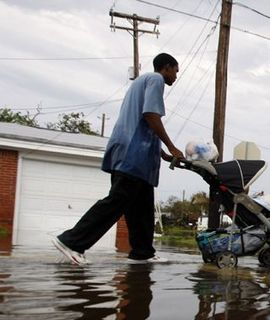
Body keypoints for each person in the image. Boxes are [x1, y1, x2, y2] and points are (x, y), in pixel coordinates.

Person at [53, 53, 185, 265]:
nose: (176, 77)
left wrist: (163, 153)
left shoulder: (140, 83)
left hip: (137, 156)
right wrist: (172, 145)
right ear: (167, 68)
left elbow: (144, 124)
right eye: (176, 71)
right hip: (133, 155)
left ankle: (143, 253)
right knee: (117, 201)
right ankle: (72, 241)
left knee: (141, 207)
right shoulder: (155, 79)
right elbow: (151, 115)